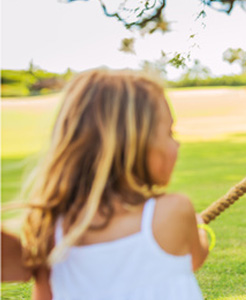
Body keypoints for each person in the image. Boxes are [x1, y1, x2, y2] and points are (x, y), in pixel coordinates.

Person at [16, 68, 209, 300]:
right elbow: (195, 258)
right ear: (136, 144)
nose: (177, 144)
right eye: (169, 132)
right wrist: (199, 230)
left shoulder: (49, 231)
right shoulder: (174, 211)